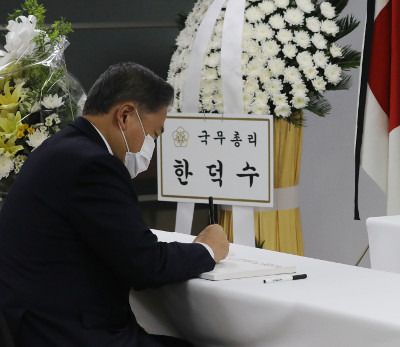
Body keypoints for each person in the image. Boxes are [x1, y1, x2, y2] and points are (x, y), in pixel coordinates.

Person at [0, 62, 229, 346]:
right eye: (154, 133)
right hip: (68, 332)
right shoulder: (93, 164)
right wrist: (206, 249)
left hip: (37, 323)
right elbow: (146, 265)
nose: (150, 146)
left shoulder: (60, 147)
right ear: (125, 115)